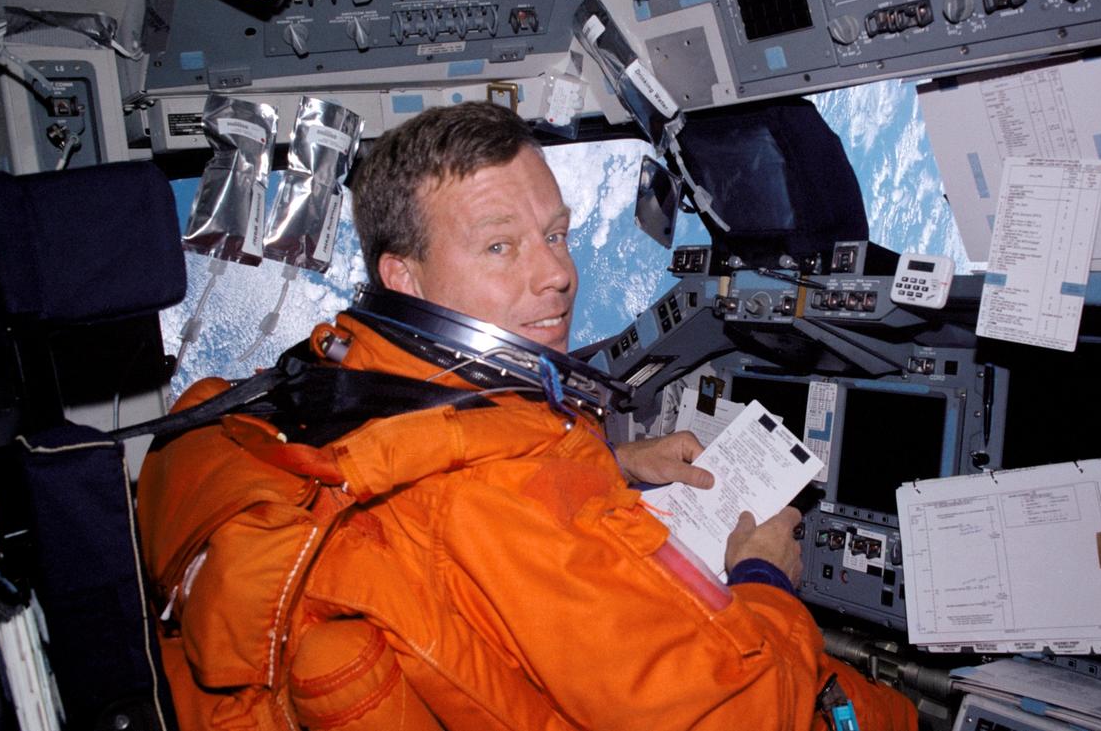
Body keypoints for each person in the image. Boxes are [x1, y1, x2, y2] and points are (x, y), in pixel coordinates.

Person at [137, 101, 917, 731]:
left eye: (555, 233)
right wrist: (765, 575)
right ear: (403, 276)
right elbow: (745, 713)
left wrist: (615, 465)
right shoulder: (503, 491)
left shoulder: (327, 378)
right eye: (500, 247)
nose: (558, 273)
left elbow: (446, 497)